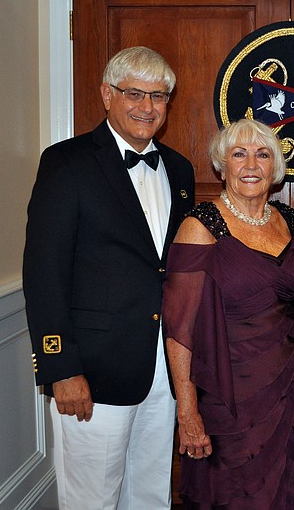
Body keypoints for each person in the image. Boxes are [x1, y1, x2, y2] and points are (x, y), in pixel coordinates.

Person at [23, 46, 195, 509]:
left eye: (159, 96)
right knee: (92, 498)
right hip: (94, 371)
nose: (147, 107)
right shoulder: (66, 162)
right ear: (106, 95)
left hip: (163, 367)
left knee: (151, 492)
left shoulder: (179, 169)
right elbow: (44, 272)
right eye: (133, 94)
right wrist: (62, 368)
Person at [161, 118, 294, 509]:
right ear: (222, 165)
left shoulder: (290, 221)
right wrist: (187, 409)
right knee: (236, 496)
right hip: (229, 397)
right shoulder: (200, 226)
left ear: (275, 167)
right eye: (239, 154)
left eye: (262, 155)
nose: (251, 164)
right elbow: (179, 330)